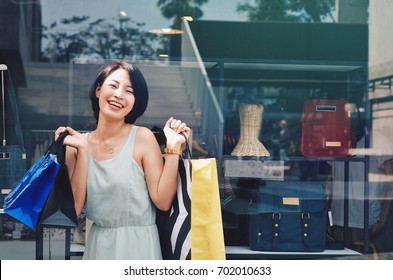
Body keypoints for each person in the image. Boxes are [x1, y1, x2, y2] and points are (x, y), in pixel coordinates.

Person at [54, 61, 190, 259]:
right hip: (98, 247)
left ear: (136, 102)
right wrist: (83, 150)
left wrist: (173, 148)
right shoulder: (77, 144)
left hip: (140, 247)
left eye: (129, 91)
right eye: (113, 85)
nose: (119, 94)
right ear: (99, 90)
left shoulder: (143, 137)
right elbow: (73, 210)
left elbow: (162, 201)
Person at [326, 126, 393, 254]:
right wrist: (327, 218)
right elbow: (330, 180)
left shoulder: (379, 141)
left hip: (369, 223)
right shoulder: (336, 140)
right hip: (339, 219)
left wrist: (383, 221)